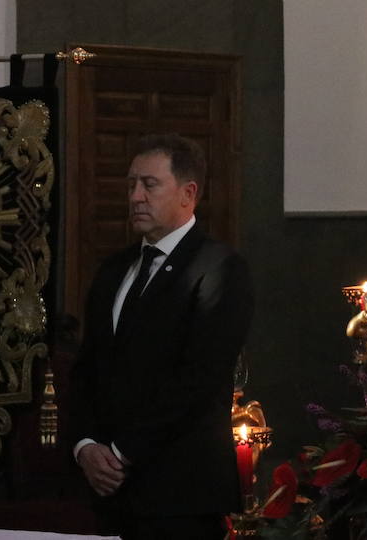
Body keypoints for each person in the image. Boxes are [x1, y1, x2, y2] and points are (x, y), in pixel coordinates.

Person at [67, 134, 254, 540]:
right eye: (131, 183)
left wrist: (119, 453)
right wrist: (86, 446)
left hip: (180, 493)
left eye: (149, 185)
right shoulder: (114, 269)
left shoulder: (219, 268)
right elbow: (87, 368)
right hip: (110, 494)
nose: (135, 196)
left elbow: (197, 380)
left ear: (188, 194)